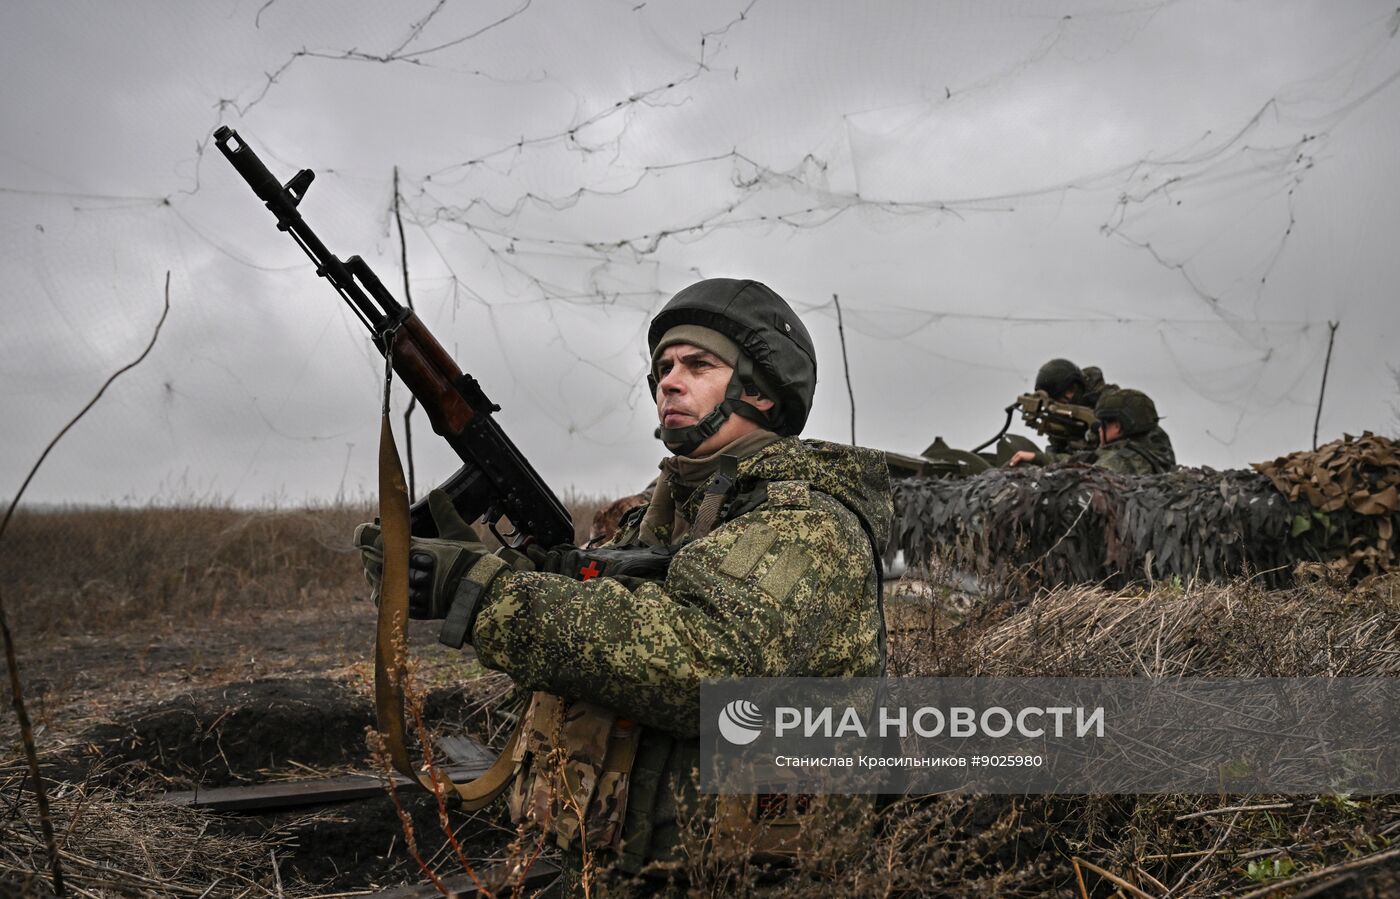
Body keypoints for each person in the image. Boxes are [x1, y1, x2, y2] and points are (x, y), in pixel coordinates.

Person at [357, 278, 892, 892]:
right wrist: (505, 568)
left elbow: (698, 666)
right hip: (627, 868)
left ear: (762, 393)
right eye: (663, 366)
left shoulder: (807, 524)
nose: (668, 380)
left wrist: (486, 594)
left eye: (698, 364)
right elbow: (602, 615)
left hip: (754, 880)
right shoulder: (661, 516)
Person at [1089, 387, 1176, 474]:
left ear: (1117, 427)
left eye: (1103, 423)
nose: (1100, 429)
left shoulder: (1114, 464)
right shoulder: (1159, 450)